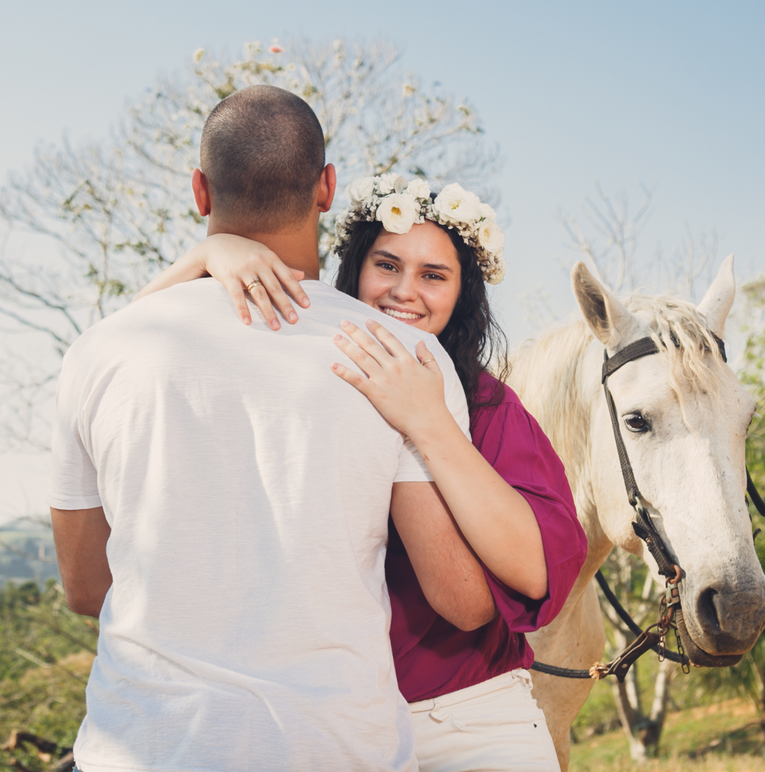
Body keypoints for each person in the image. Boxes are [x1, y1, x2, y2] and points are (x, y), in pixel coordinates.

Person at [49, 85, 472, 772]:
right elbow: (456, 591)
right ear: (327, 187)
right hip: (337, 750)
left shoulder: (98, 353)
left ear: (199, 191)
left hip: (146, 750)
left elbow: (86, 587)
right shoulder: (401, 356)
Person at [139, 173, 588, 771]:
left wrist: (429, 423)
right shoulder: (300, 371)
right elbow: (126, 353)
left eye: (433, 275)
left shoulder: (487, 407)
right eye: (387, 265)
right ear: (354, 270)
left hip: (463, 719)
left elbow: (532, 572)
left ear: (462, 293)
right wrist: (205, 254)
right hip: (322, 731)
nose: (405, 292)